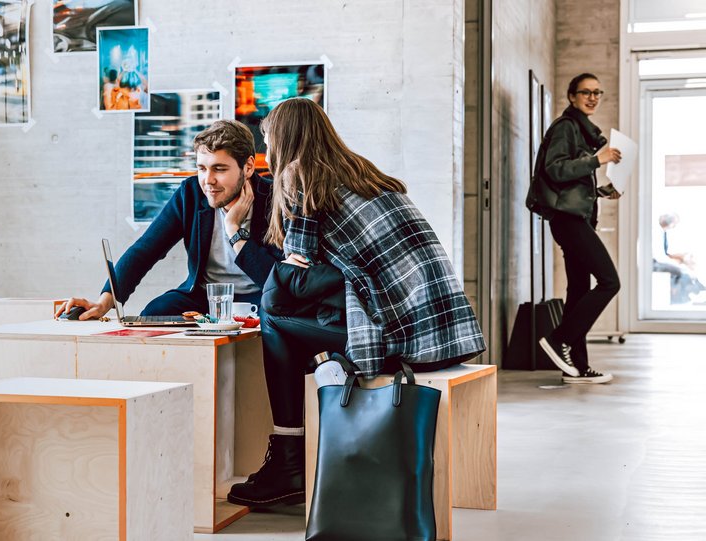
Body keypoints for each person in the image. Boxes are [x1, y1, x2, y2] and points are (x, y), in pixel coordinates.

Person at [226, 98, 486, 509]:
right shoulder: (359, 172)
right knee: (304, 308)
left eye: (268, 140)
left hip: (407, 341)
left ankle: (289, 462)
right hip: (449, 331)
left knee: (274, 320)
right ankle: (295, 453)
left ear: (283, 140)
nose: (267, 151)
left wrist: (235, 234)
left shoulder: (300, 176)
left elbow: (286, 285)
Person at [62, 120, 283, 319]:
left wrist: (234, 229)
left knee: (275, 321)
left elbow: (273, 280)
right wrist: (104, 302)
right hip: (203, 297)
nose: (208, 180)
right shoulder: (192, 193)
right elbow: (146, 249)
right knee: (153, 314)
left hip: (259, 299)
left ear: (248, 167)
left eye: (219, 169)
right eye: (202, 168)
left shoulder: (273, 198)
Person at [535, 73, 622, 384]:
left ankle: (577, 367)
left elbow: (571, 185)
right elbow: (555, 169)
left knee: (579, 289)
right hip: (568, 221)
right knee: (610, 281)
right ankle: (561, 339)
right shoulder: (565, 127)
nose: (593, 97)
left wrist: (602, 191)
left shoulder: (581, 130)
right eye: (586, 92)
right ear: (571, 96)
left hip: (575, 217)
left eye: (597, 92)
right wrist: (597, 161)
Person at [652, 213, 706, 304]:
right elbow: (659, 257)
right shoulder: (654, 231)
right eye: (674, 223)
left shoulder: (662, 232)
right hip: (655, 263)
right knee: (683, 272)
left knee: (687, 269)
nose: (673, 226)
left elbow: (664, 253)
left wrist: (681, 257)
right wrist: (678, 262)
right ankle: (681, 299)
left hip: (660, 260)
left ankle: (700, 289)